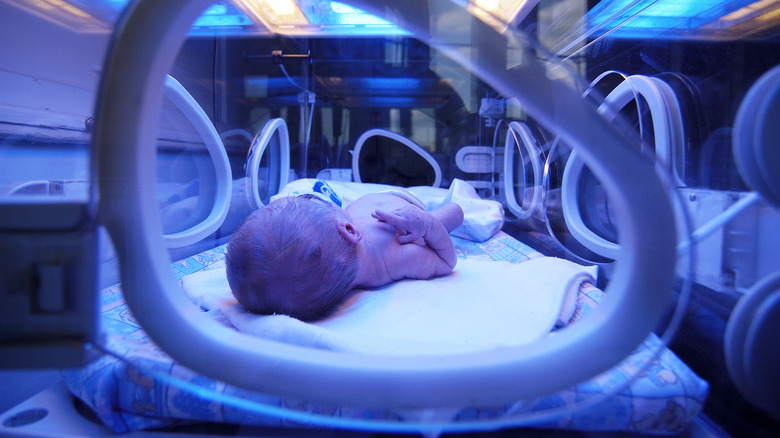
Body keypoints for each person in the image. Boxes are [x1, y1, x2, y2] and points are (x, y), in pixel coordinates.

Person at [225, 191, 464, 321]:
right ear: (348, 230)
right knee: (454, 213)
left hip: (362, 206)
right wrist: (429, 225)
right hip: (409, 206)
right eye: (312, 201)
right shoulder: (401, 255)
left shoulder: (328, 264)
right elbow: (446, 261)